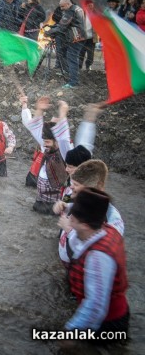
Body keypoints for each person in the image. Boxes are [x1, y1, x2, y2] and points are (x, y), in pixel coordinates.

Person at [63, 188, 129, 338]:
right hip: (110, 313)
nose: (70, 220)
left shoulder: (98, 256)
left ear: (85, 225)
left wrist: (70, 331)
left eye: (73, 218)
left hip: (107, 324)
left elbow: (95, 306)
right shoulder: (106, 228)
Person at [21, 97, 71, 214]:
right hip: (39, 202)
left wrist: (63, 113)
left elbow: (64, 137)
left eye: (47, 142)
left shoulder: (66, 153)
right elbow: (34, 128)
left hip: (56, 207)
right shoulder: (47, 145)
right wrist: (39, 110)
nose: (44, 145)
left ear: (57, 141)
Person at [45, 0, 85, 88]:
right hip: (79, 36)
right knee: (70, 57)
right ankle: (70, 75)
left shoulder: (71, 11)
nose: (61, 8)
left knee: (71, 58)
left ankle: (73, 82)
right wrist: (53, 27)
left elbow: (62, 27)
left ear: (68, 4)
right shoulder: (77, 8)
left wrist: (49, 32)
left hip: (76, 38)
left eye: (62, 6)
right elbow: (64, 24)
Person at [79, 0, 97, 71]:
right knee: (81, 52)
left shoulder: (95, 15)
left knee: (90, 54)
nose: (91, 8)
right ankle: (79, 66)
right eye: (89, 6)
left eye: (92, 6)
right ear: (85, 6)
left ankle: (88, 66)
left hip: (92, 37)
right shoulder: (81, 13)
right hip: (83, 37)